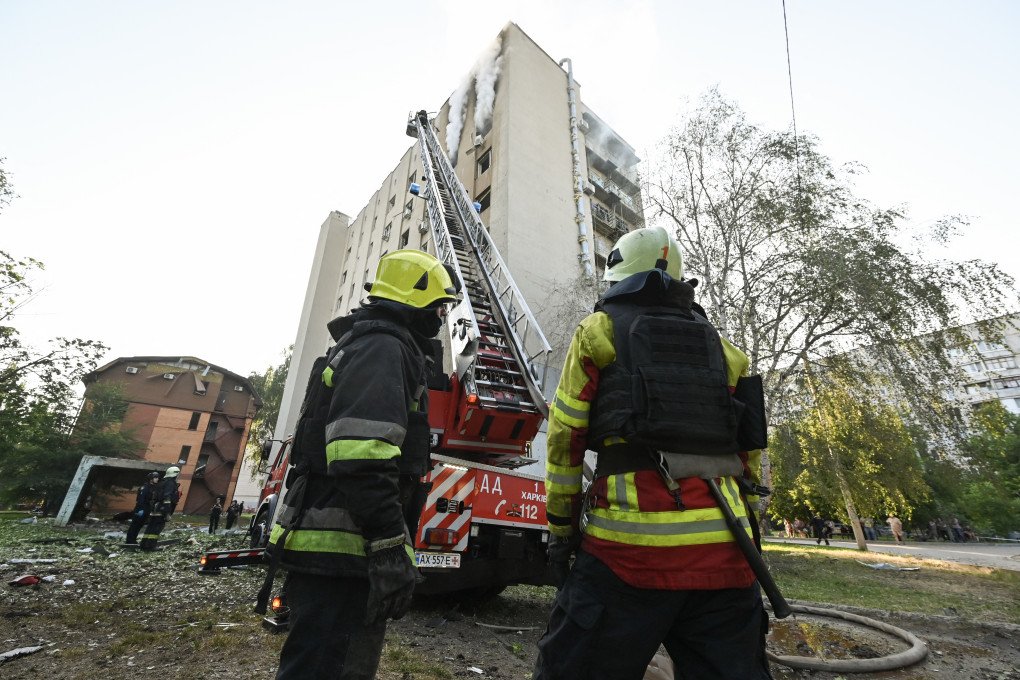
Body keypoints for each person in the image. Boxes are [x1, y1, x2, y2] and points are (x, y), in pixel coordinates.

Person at [533, 227, 773, 680]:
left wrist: (561, 529)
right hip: (727, 560)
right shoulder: (725, 350)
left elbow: (565, 439)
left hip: (627, 557)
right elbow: (749, 454)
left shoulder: (598, 333)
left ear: (617, 279)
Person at [268, 250, 460, 680]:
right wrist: (389, 543)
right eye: (438, 307)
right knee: (329, 668)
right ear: (416, 304)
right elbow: (362, 456)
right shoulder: (383, 349)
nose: (442, 318)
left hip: (339, 550)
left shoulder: (371, 343)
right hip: (342, 553)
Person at [140, 466, 181, 550]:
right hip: (162, 510)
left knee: (150, 527)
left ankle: (143, 545)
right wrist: (167, 512)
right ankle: (150, 546)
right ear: (175, 474)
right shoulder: (170, 483)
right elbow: (167, 498)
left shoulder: (162, 482)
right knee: (156, 529)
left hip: (155, 509)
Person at [125, 471, 160, 545]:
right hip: (141, 508)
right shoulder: (144, 487)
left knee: (140, 525)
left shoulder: (154, 487)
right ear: (151, 479)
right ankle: (129, 541)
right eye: (155, 477)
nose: (157, 479)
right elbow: (140, 499)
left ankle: (133, 540)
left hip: (148, 508)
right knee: (135, 525)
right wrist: (141, 509)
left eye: (157, 477)